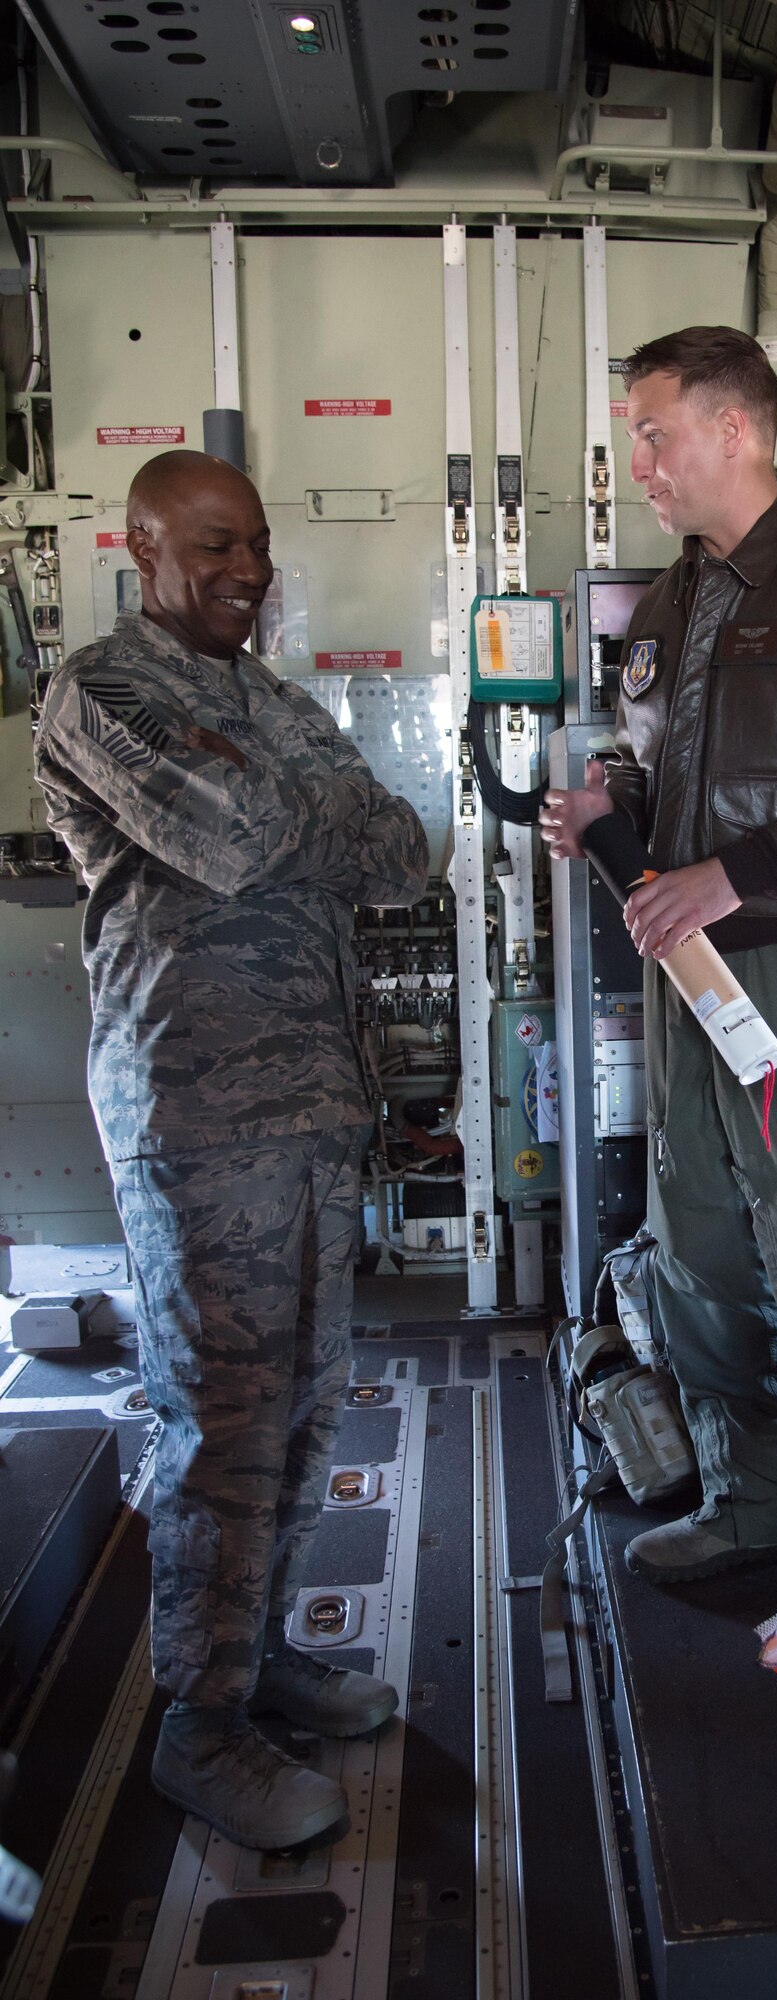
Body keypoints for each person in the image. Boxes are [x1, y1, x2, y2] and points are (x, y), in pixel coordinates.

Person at [34, 450, 429, 1850]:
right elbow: (243, 832)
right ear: (138, 545)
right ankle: (199, 1731)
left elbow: (406, 850)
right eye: (212, 546)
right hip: (196, 1120)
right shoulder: (105, 690)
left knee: (304, 1412)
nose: (244, 571)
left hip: (315, 1107)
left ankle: (254, 1664)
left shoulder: (263, 697)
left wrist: (300, 797)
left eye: (254, 545)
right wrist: (304, 798)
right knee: (219, 1425)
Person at [540, 327, 777, 1584]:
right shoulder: (671, 599)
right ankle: (756, 1501)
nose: (636, 464)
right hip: (687, 980)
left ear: (735, 428)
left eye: (652, 435)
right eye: (633, 440)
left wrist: (735, 875)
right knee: (700, 1236)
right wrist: (609, 817)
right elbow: (660, 783)